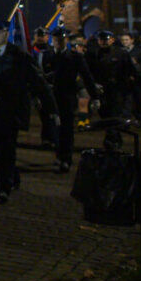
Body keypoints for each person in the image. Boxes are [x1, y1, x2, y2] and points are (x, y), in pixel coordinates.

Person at [0, 20, 58, 203]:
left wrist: (52, 109)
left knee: (8, 148)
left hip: (11, 109)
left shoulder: (19, 56)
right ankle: (12, 174)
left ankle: (3, 188)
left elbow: (38, 82)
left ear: (7, 34)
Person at [92, 29, 141, 149]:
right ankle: (113, 138)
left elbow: (136, 71)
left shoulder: (121, 54)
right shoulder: (93, 54)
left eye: (106, 39)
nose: (104, 42)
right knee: (105, 116)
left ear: (112, 40)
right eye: (101, 39)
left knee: (115, 116)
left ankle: (112, 140)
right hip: (102, 91)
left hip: (118, 90)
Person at [49, 27, 100, 172]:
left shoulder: (75, 57)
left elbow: (87, 77)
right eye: (57, 39)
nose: (59, 41)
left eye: (62, 39)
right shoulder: (47, 56)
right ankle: (59, 155)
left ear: (66, 40)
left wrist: (95, 96)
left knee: (66, 129)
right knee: (54, 129)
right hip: (52, 98)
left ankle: (66, 158)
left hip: (67, 97)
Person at [33, 27, 57, 148]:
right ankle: (47, 138)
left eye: (43, 35)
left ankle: (51, 138)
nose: (41, 38)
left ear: (48, 37)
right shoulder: (31, 52)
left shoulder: (53, 52)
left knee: (52, 114)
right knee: (43, 114)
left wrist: (48, 76)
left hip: (51, 86)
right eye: (38, 35)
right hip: (38, 88)